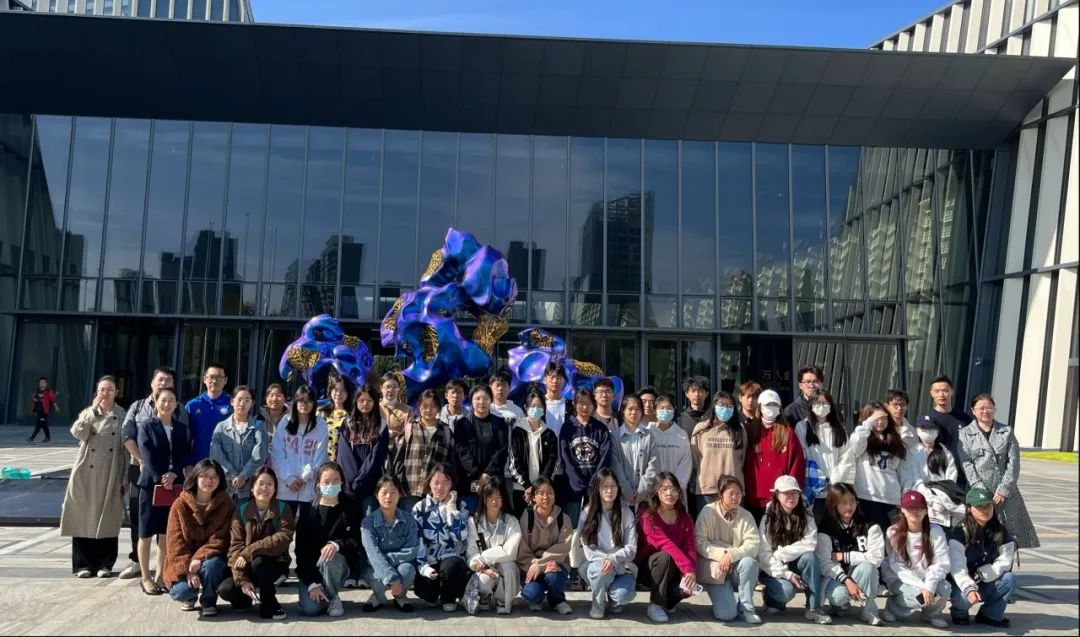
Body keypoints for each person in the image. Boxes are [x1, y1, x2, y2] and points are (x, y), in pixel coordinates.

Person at [60, 375, 127, 578]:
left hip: (111, 471)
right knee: (82, 516)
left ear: (116, 392)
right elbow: (77, 433)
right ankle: (83, 564)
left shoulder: (122, 415)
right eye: (102, 390)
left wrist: (124, 478)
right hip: (86, 471)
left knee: (108, 517)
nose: (105, 393)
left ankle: (105, 564)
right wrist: (91, 412)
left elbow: (126, 449)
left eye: (110, 390)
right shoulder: (88, 412)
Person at [120, 366, 180, 580]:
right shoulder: (137, 407)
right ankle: (138, 563)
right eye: (160, 379)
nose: (164, 383)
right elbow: (128, 436)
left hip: (170, 477)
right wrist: (141, 461)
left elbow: (183, 442)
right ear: (152, 383)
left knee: (166, 523)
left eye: (168, 380)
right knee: (140, 519)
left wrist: (173, 472)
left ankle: (164, 568)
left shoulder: (179, 410)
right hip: (141, 471)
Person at [957, 393, 1039, 548]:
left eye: (989, 407)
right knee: (981, 531)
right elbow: (966, 463)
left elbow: (1014, 463)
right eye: (981, 408)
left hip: (1005, 493)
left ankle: (1007, 560)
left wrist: (1004, 489)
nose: (985, 411)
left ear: (994, 409)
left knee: (1009, 534)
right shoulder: (965, 433)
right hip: (979, 492)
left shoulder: (1006, 431)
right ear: (973, 410)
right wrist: (980, 489)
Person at [216, 466, 293, 620]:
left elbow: (283, 538)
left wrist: (249, 551)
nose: (265, 488)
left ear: (275, 489)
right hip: (246, 565)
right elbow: (235, 546)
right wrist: (243, 579)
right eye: (260, 483)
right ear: (252, 488)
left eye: (270, 484)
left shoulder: (283, 509)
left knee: (260, 562)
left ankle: (269, 603)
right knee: (226, 589)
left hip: (273, 563)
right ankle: (247, 598)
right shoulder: (242, 510)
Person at [136, 386, 191, 597]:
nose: (167, 404)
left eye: (171, 400)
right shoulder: (147, 425)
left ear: (176, 404)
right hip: (151, 484)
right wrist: (162, 476)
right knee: (146, 531)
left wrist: (174, 474)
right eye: (163, 400)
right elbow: (147, 454)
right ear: (155, 402)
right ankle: (146, 577)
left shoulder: (181, 428)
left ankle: (160, 575)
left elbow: (184, 455)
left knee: (166, 532)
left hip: (173, 485)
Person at [164, 459, 235, 617]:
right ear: (195, 477)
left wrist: (199, 558)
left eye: (214, 477)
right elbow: (175, 543)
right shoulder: (180, 505)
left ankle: (208, 600)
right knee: (182, 591)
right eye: (204, 476)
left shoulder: (226, 504)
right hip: (183, 561)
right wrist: (188, 570)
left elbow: (221, 538)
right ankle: (190, 597)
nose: (210, 480)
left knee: (212, 565)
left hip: (211, 558)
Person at [757, 475, 831, 624]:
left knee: (810, 558)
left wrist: (782, 553)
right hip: (773, 568)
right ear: (777, 494)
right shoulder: (768, 519)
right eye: (787, 493)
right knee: (786, 592)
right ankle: (771, 598)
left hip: (794, 563)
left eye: (795, 493)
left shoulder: (807, 516)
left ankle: (814, 608)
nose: (792, 497)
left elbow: (810, 543)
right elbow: (764, 555)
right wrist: (787, 574)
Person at [295, 462, 362, 617]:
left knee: (329, 556)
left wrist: (337, 544)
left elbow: (357, 540)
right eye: (326, 482)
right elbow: (301, 553)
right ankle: (320, 590)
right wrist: (312, 583)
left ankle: (333, 597)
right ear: (318, 484)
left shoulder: (350, 507)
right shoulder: (308, 512)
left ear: (342, 482)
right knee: (310, 609)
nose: (331, 485)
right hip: (312, 570)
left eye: (335, 481)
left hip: (339, 565)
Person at [815, 483, 885, 626]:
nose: (849, 506)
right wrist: (847, 580)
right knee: (839, 596)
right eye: (844, 502)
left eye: (852, 501)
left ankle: (869, 611)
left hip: (858, 573)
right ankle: (840, 606)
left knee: (868, 568)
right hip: (836, 577)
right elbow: (824, 562)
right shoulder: (826, 528)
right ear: (834, 504)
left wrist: (845, 556)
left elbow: (877, 557)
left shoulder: (870, 526)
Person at [947, 486, 1017, 627]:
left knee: (1009, 579)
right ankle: (959, 613)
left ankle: (990, 615)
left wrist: (981, 574)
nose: (985, 510)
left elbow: (1005, 561)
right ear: (969, 509)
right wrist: (969, 588)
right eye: (980, 507)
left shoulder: (1000, 531)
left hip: (985, 579)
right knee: (963, 598)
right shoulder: (960, 532)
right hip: (961, 582)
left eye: (988, 506)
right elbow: (957, 567)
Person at [695, 475, 761, 624]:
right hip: (717, 570)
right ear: (720, 494)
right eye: (731, 493)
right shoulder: (708, 511)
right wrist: (722, 555)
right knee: (726, 615)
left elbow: (753, 545)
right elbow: (699, 541)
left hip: (737, 568)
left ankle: (746, 609)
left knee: (749, 562)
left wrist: (731, 555)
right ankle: (726, 601)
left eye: (738, 493)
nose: (735, 497)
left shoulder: (746, 515)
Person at [880, 490, 951, 627]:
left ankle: (931, 614)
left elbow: (942, 563)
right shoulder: (893, 532)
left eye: (919, 508)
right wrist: (923, 587)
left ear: (926, 511)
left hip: (925, 577)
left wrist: (929, 585)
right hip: (899, 578)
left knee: (945, 588)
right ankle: (893, 609)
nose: (914, 511)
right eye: (910, 508)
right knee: (917, 597)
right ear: (902, 510)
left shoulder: (936, 531)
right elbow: (898, 566)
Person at [636, 472, 698, 623]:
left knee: (687, 588)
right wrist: (687, 568)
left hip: (674, 568)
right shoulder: (647, 515)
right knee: (665, 556)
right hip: (648, 569)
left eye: (674, 489)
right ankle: (655, 604)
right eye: (664, 489)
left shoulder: (685, 518)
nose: (670, 493)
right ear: (657, 492)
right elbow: (665, 543)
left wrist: (689, 574)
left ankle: (667, 602)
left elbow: (690, 548)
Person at [577, 468, 637, 619]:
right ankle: (598, 604)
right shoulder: (587, 513)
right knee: (601, 571)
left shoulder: (626, 513)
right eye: (605, 486)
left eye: (613, 486)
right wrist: (606, 560)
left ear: (618, 488)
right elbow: (587, 548)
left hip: (621, 565)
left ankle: (612, 597)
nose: (609, 490)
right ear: (598, 489)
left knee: (623, 595)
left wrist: (613, 559)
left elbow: (631, 548)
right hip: (596, 564)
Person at [412, 464, 472, 612]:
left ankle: (449, 597)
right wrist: (424, 568)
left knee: (451, 568)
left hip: (452, 557)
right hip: (429, 560)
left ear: (452, 484)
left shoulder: (460, 505)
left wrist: (451, 508)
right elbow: (417, 541)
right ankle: (432, 595)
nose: (440, 487)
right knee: (423, 586)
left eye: (446, 482)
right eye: (436, 483)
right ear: (429, 484)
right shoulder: (420, 508)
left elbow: (460, 535)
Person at [359, 475, 419, 613]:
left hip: (401, 564)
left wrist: (389, 559)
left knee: (408, 570)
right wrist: (393, 578)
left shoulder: (409, 520)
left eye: (393, 492)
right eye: (384, 492)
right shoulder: (368, 523)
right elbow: (372, 554)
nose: (388, 497)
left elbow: (412, 550)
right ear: (376, 495)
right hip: (375, 566)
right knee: (377, 574)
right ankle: (378, 597)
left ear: (399, 495)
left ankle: (400, 597)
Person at [744, 389, 805, 522]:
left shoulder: (788, 433)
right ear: (760, 407)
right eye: (768, 405)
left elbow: (797, 464)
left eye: (775, 405)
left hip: (779, 499)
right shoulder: (750, 431)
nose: (771, 408)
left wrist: (790, 493)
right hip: (753, 498)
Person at [464, 477, 522, 615]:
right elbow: (471, 552)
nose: (495, 502)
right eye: (490, 497)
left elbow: (510, 552)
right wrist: (484, 568)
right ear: (484, 499)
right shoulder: (474, 521)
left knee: (507, 566)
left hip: (505, 569)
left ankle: (502, 599)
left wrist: (483, 558)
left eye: (499, 497)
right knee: (483, 580)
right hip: (484, 568)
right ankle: (484, 596)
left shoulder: (511, 521)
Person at [517, 477, 574, 615]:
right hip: (530, 564)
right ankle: (537, 597)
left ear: (554, 495)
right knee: (531, 594)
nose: (545, 497)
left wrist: (542, 564)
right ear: (533, 497)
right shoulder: (527, 518)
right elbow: (522, 549)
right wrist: (535, 565)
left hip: (555, 563)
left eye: (549, 493)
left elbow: (563, 547)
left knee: (554, 577)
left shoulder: (563, 519)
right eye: (541, 493)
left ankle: (557, 600)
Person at [392, 389, 455, 512]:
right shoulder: (410, 427)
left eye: (433, 406)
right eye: (425, 406)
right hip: (410, 489)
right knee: (409, 522)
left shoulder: (446, 431)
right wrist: (398, 484)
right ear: (419, 407)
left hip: (435, 492)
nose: (428, 410)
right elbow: (398, 458)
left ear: (438, 408)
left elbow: (451, 462)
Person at [270, 386, 329, 519]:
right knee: (284, 526)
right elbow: (277, 454)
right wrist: (289, 478)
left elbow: (320, 456)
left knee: (306, 527)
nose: (305, 404)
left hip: (309, 489)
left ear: (314, 403)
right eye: (301, 400)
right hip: (286, 487)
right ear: (295, 402)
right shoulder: (285, 423)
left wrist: (304, 477)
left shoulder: (320, 424)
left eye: (309, 401)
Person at [846, 401, 906, 530]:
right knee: (869, 533)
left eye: (884, 418)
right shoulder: (863, 436)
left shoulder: (894, 439)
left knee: (889, 536)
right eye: (876, 419)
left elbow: (898, 468)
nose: (880, 422)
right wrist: (867, 424)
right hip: (867, 495)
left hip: (890, 498)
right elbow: (855, 446)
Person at [793, 389, 850, 521]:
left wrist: (835, 479)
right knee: (814, 524)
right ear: (811, 406)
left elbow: (846, 457)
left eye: (825, 403)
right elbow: (801, 455)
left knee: (834, 525)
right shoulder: (802, 427)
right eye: (817, 403)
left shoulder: (839, 428)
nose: (821, 406)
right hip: (813, 488)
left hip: (835, 488)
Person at [559, 388, 612, 524]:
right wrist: (577, 481)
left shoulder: (600, 429)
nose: (585, 407)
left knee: (594, 526)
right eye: (581, 403)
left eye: (588, 403)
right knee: (572, 527)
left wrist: (595, 481)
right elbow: (565, 456)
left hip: (595, 489)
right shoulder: (567, 427)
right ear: (574, 404)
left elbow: (605, 457)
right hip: (572, 488)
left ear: (593, 405)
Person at [902, 415, 965, 530]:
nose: (928, 432)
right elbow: (913, 479)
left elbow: (950, 480)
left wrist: (939, 497)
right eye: (924, 428)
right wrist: (927, 495)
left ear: (937, 431)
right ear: (917, 430)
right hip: (919, 504)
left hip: (943, 505)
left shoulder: (945, 453)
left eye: (931, 428)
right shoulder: (912, 453)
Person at [455, 385, 510, 512]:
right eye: (477, 398)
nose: (481, 402)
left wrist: (486, 475)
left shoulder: (500, 423)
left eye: (486, 398)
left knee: (494, 517)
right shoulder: (462, 424)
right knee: (469, 518)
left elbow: (502, 451)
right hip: (469, 481)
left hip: (494, 480)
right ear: (471, 400)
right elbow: (462, 452)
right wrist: (477, 474)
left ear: (491, 400)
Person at [337, 382, 390, 513]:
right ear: (356, 401)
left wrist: (361, 479)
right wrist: (352, 480)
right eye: (361, 400)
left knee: (369, 517)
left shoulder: (381, 425)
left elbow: (376, 457)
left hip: (370, 484)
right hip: (349, 485)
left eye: (369, 400)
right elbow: (344, 454)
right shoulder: (348, 422)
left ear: (375, 402)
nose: (365, 404)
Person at [210, 385, 268, 504]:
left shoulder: (258, 428)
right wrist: (232, 475)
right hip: (225, 488)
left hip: (250, 490)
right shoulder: (221, 427)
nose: (242, 403)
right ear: (232, 401)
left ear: (252, 403)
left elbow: (259, 457)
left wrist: (243, 476)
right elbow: (216, 456)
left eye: (247, 400)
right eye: (239, 399)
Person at [691, 391, 746, 513]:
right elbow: (695, 458)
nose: (725, 409)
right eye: (721, 405)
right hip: (708, 489)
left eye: (729, 406)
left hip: (733, 489)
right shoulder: (701, 429)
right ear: (714, 406)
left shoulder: (739, 430)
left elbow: (743, 459)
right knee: (707, 523)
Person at [508, 388, 559, 514]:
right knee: (522, 523)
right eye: (533, 406)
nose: (536, 409)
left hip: (543, 492)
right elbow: (514, 461)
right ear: (525, 407)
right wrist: (527, 486)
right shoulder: (517, 432)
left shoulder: (549, 434)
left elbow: (553, 461)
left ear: (544, 409)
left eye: (539, 406)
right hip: (522, 490)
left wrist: (540, 486)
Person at [613, 394, 657, 507]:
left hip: (645, 497)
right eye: (630, 409)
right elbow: (615, 465)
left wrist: (642, 490)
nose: (634, 412)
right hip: (622, 497)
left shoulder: (649, 436)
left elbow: (653, 465)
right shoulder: (615, 436)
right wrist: (626, 490)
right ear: (623, 411)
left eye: (638, 409)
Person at [184, 364, 232, 466]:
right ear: (204, 379)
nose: (214, 381)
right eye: (211, 377)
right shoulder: (192, 405)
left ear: (225, 380)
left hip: (226, 463)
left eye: (219, 377)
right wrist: (187, 464)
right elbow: (184, 438)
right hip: (198, 463)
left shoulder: (232, 404)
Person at [647, 395, 692, 492]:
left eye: (669, 408)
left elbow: (686, 463)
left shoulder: (681, 435)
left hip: (675, 491)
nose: (665, 411)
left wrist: (675, 486)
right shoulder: (647, 433)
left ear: (674, 410)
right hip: (651, 489)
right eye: (661, 408)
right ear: (654, 410)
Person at [922, 375, 968, 467]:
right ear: (931, 393)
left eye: (945, 391)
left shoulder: (965, 419)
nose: (941, 395)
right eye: (937, 391)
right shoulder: (925, 421)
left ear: (952, 392)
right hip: (936, 470)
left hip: (962, 470)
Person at [317, 372, 351, 463]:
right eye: (335, 389)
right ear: (330, 390)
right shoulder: (321, 413)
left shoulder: (352, 415)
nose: (338, 393)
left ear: (348, 392)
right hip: (321, 463)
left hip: (342, 463)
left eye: (343, 390)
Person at [379, 372, 413, 449]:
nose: (391, 390)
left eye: (394, 387)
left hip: (397, 452)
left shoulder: (407, 410)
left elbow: (409, 435)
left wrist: (392, 434)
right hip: (376, 451)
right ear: (381, 388)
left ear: (399, 389)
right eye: (388, 387)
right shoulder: (374, 408)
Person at [28, 376, 59, 442]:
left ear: (46, 384)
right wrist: (34, 399)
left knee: (39, 424)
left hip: (44, 411)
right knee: (43, 424)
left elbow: (53, 399)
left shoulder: (48, 391)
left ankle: (32, 437)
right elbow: (33, 396)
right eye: (41, 382)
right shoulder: (37, 391)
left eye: (44, 382)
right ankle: (47, 437)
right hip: (39, 410)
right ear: (39, 383)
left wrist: (56, 407)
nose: (42, 383)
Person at [543, 362, 569, 437]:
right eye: (552, 377)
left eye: (559, 378)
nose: (555, 381)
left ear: (563, 381)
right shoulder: (539, 404)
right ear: (545, 380)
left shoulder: (569, 405)